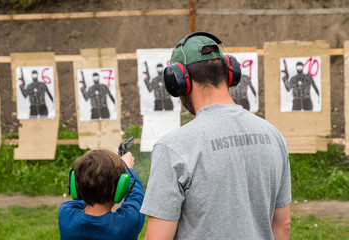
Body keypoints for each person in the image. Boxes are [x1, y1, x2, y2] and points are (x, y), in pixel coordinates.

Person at [140, 32, 291, 240]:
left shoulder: (172, 147)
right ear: (230, 73)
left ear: (178, 81)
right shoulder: (274, 135)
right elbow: (283, 225)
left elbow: (157, 238)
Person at [58, 149, 145, 240]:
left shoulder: (66, 213)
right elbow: (136, 196)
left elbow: (84, 193)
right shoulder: (127, 223)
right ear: (120, 188)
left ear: (75, 187)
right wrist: (128, 169)